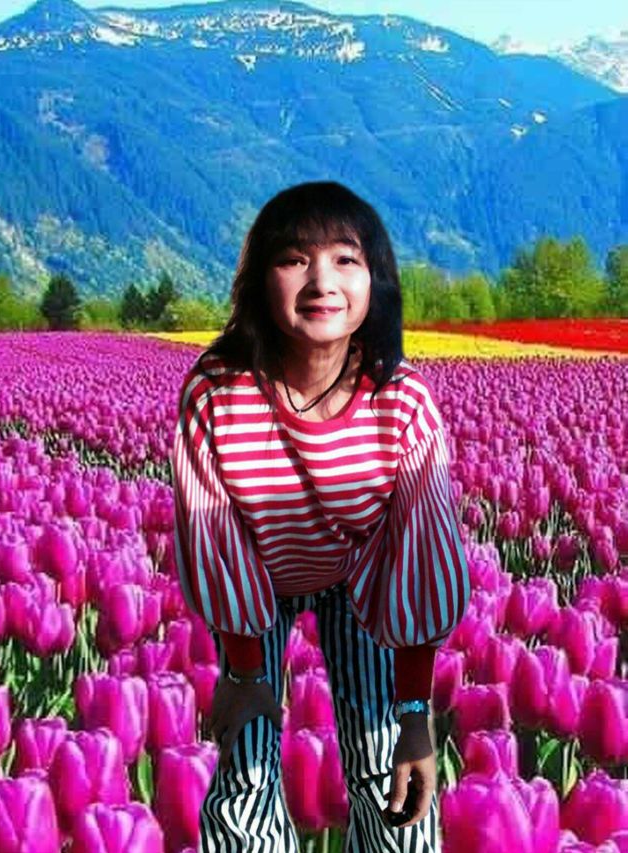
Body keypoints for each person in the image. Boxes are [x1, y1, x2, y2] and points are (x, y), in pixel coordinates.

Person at [171, 180, 472, 852]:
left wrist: (415, 713)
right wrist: (245, 673)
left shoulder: (401, 402)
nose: (321, 282)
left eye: (345, 259)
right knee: (246, 765)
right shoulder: (217, 394)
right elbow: (215, 535)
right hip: (256, 580)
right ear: (260, 280)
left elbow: (416, 560)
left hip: (360, 578)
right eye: (293, 259)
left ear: (375, 280)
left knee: (390, 766)